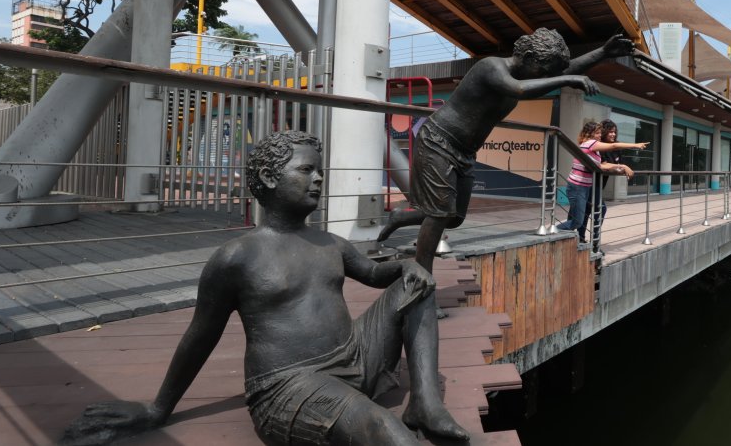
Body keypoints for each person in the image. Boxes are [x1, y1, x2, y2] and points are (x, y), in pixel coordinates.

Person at [61, 131, 467, 446]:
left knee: (418, 284)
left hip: (355, 360)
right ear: (272, 178)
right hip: (290, 388)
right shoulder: (237, 257)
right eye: (306, 170)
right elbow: (200, 335)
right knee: (382, 428)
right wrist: (157, 408)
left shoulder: (330, 243)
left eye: (319, 170)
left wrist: (405, 264)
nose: (318, 178)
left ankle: (426, 404)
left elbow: (377, 277)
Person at [376, 29, 636, 273]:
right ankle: (420, 280)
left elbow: (566, 69)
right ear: (530, 58)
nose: (545, 76)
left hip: (465, 152)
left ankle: (400, 216)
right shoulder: (491, 67)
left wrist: (602, 52)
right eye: (544, 70)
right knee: (439, 214)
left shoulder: (525, 72)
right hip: (438, 140)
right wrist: (571, 79)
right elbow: (520, 90)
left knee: (453, 218)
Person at [555, 121, 645, 241]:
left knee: (577, 219)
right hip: (577, 187)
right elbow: (614, 146)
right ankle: (553, 231)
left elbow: (600, 166)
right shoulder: (590, 144)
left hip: (585, 187)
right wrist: (635, 145)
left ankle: (575, 238)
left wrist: (622, 167)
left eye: (600, 133)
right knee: (576, 221)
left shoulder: (594, 149)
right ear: (590, 134)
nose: (599, 135)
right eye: (597, 133)